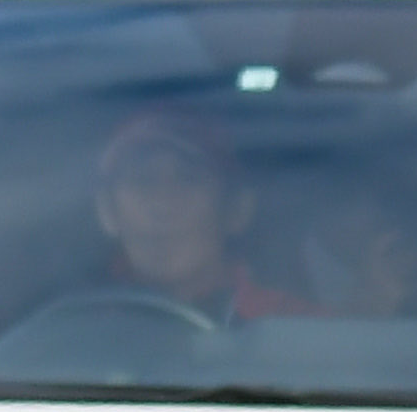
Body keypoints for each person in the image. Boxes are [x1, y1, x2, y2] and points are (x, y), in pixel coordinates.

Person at [93, 108, 299, 325]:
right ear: (107, 211)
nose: (163, 203)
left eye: (188, 179)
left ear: (236, 210)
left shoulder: (302, 333)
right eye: (142, 180)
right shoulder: (68, 331)